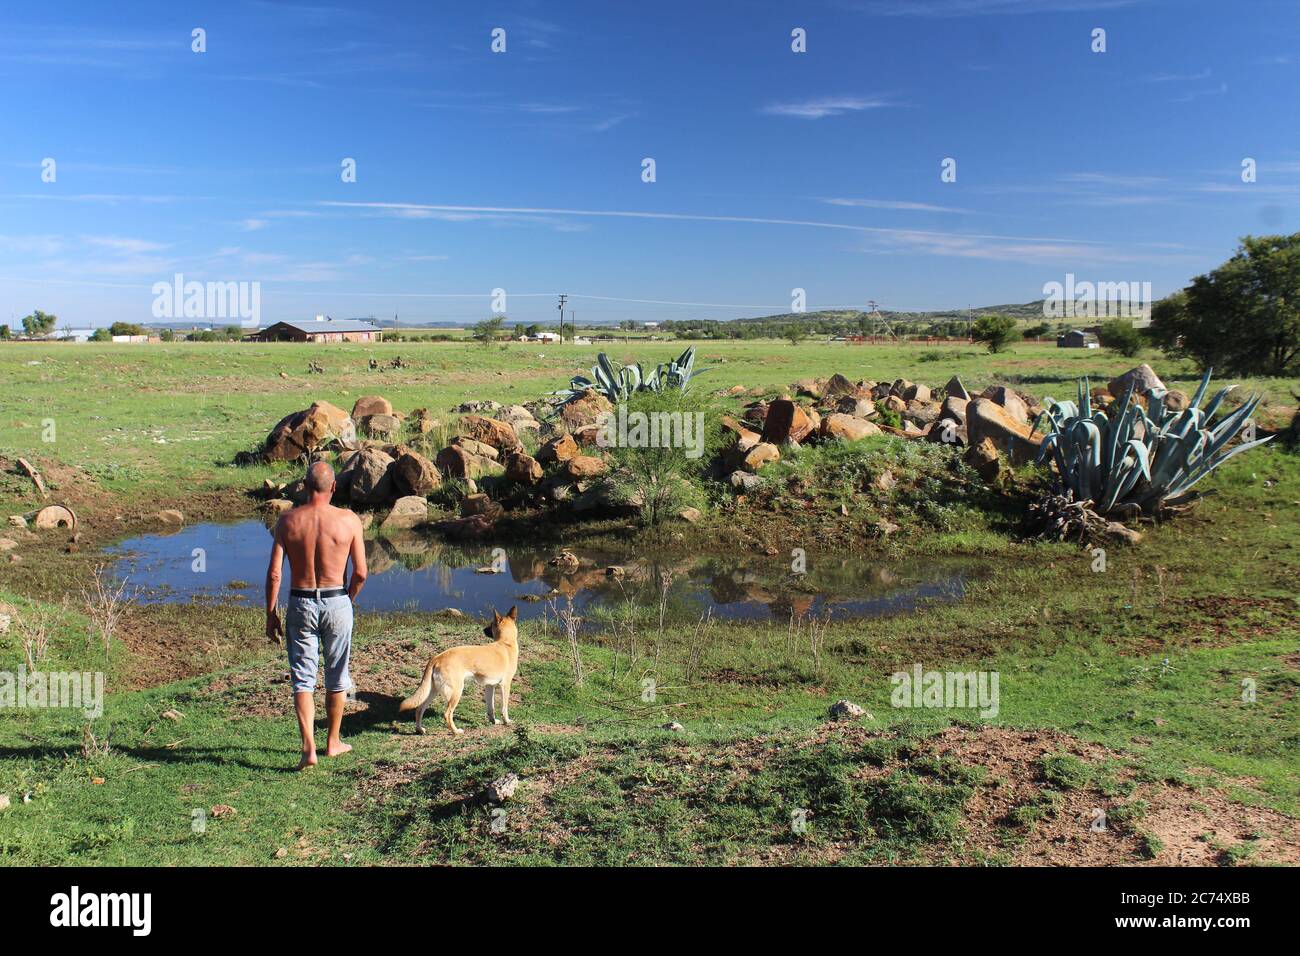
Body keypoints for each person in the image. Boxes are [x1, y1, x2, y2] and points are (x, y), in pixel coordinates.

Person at [265, 461, 367, 769]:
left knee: (303, 679)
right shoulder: (349, 520)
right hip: (337, 599)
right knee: (337, 675)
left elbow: (273, 575)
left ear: (305, 487)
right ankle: (333, 742)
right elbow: (361, 572)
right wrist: (347, 599)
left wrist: (271, 614)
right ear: (333, 487)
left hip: (300, 601)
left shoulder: (287, 521)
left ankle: (308, 749)